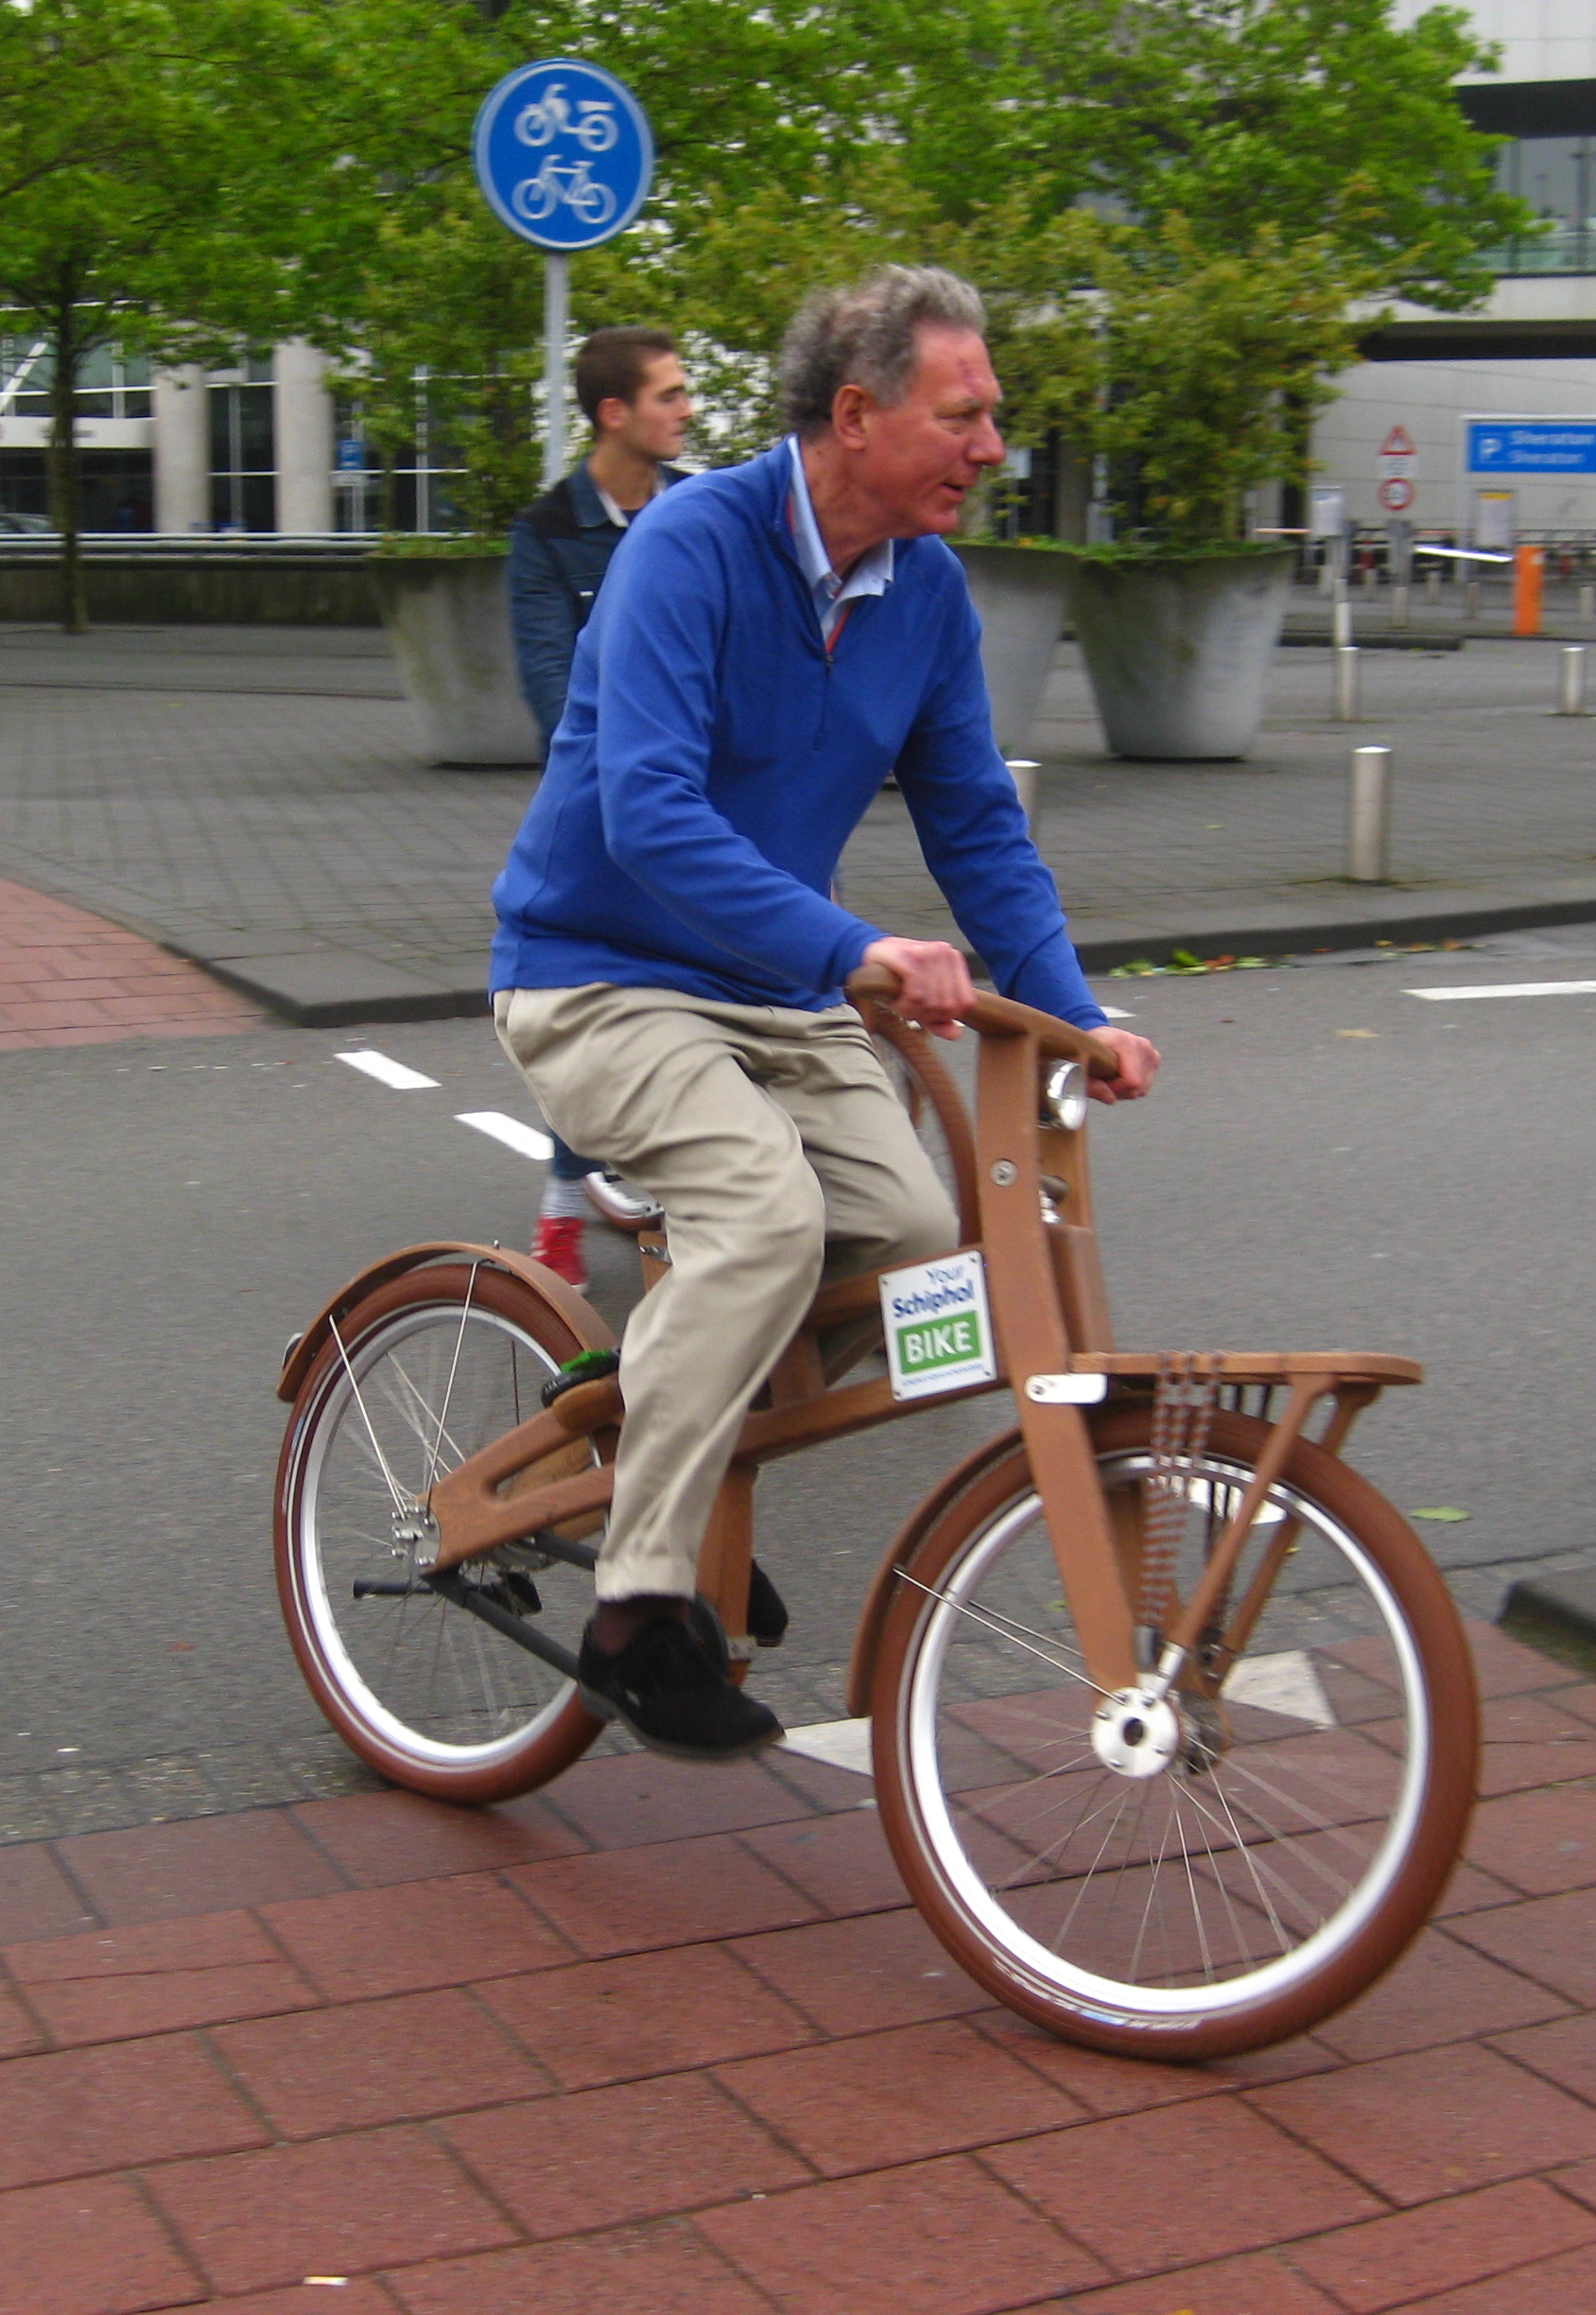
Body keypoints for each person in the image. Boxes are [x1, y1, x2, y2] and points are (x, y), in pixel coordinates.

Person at [490, 266, 1160, 1759]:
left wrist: (1078, 1016)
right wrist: (857, 946)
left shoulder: (925, 595)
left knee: (925, 1251)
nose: (994, 449)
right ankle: (637, 1601)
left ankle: (674, 1413)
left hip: (776, 992)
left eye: (996, 418)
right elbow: (648, 814)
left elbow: (979, 828)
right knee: (767, 1222)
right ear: (855, 415)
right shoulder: (690, 546)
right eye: (965, 415)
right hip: (599, 973)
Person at [508, 326, 697, 1284]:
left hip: (703, 799)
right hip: (603, 811)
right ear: (614, 413)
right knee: (599, 1000)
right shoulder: (546, 537)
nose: (687, 409)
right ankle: (559, 1218)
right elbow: (550, 686)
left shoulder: (701, 513)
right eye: (667, 395)